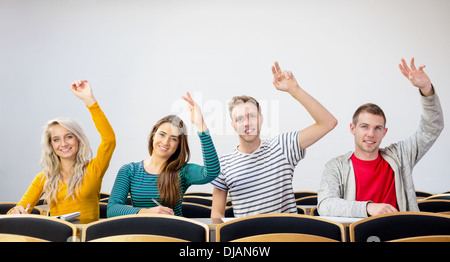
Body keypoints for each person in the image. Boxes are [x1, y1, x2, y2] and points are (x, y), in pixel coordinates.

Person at [317, 58, 444, 218]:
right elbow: (325, 205)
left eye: (378, 128)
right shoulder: (336, 166)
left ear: (385, 132)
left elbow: (432, 128)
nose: (371, 134)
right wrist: (368, 208)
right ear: (352, 129)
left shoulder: (400, 156)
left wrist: (426, 89)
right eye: (364, 126)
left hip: (401, 235)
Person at [211, 62, 338, 218]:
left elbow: (328, 123)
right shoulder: (224, 163)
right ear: (233, 125)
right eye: (240, 119)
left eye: (252, 116)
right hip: (248, 239)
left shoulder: (282, 146)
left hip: (286, 237)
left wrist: (294, 90)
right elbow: (217, 213)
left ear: (261, 119)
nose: (247, 123)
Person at [8, 80, 116, 221]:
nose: (63, 144)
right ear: (51, 145)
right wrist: (16, 211)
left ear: (78, 139)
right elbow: (19, 209)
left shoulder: (94, 169)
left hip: (88, 236)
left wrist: (90, 101)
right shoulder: (44, 178)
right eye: (56, 139)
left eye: (69, 137)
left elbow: (109, 140)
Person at [107, 92, 220, 217]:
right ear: (153, 135)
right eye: (162, 134)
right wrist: (146, 212)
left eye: (173, 138)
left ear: (178, 145)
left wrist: (201, 125)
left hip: (174, 232)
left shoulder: (182, 171)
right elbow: (112, 210)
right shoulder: (129, 170)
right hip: (139, 233)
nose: (166, 142)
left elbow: (212, 172)